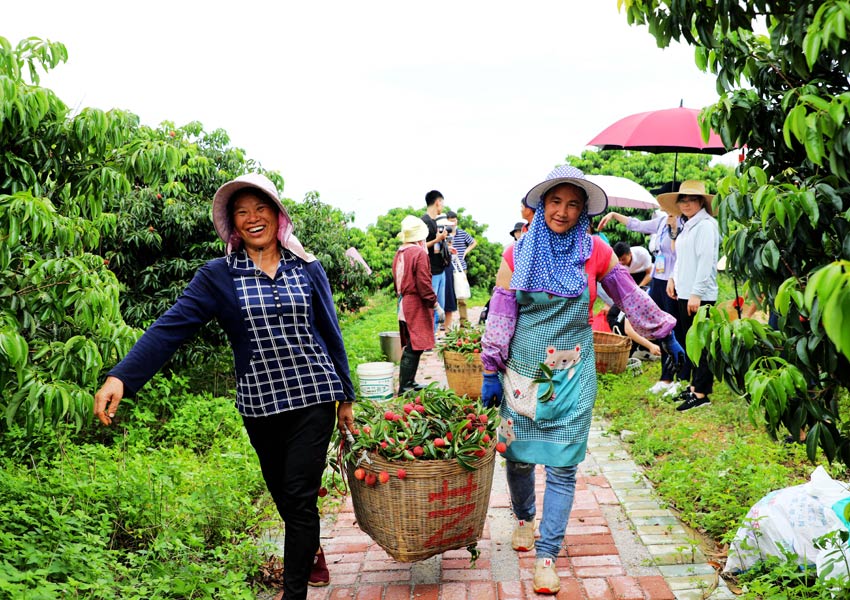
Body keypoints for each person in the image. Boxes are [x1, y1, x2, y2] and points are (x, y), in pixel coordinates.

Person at [92, 173, 355, 600]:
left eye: (260, 209)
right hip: (260, 403)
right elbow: (170, 327)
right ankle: (310, 550)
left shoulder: (307, 267)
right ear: (233, 224)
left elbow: (330, 331)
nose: (253, 218)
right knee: (286, 499)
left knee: (299, 495)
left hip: (313, 393)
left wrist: (346, 396)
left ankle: (294, 594)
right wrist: (122, 376)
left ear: (277, 214)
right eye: (242, 212)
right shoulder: (218, 276)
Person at [479, 165, 683, 595]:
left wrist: (663, 331)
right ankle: (523, 517)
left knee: (563, 466)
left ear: (584, 210)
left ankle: (547, 555)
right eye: (555, 202)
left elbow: (629, 295)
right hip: (523, 374)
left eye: (573, 204)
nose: (563, 211)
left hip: (573, 375)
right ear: (540, 205)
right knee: (516, 456)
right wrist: (490, 367)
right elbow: (501, 312)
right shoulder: (516, 255)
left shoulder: (596, 251)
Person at [598, 206, 686, 394]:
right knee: (662, 332)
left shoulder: (685, 223)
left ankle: (683, 377)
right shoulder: (662, 222)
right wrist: (614, 215)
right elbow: (636, 224)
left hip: (676, 281)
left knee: (674, 330)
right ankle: (666, 377)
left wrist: (674, 231)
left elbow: (679, 252)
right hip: (659, 281)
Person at [658, 180, 720, 412]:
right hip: (684, 292)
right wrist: (673, 278)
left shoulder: (706, 225)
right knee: (690, 342)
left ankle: (702, 392)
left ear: (701, 201)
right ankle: (695, 386)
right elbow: (681, 258)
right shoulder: (688, 225)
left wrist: (696, 293)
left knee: (702, 345)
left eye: (691, 199)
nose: (686, 203)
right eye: (682, 199)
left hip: (699, 295)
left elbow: (706, 262)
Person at [393, 215, 438, 394]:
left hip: (404, 301)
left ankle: (409, 382)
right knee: (414, 345)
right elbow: (424, 283)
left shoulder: (401, 252)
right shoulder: (418, 253)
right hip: (415, 303)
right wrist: (435, 304)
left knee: (413, 344)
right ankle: (405, 386)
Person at [421, 190, 450, 332]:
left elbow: (436, 245)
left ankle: (432, 338)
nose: (442, 207)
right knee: (431, 308)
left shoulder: (435, 222)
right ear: (437, 202)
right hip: (431, 271)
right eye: (442, 203)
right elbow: (420, 247)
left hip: (441, 269)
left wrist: (444, 245)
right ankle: (428, 340)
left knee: (440, 308)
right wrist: (437, 240)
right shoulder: (424, 222)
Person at [447, 210, 477, 326]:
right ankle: (447, 324)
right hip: (448, 267)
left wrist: (465, 252)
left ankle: (464, 322)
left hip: (461, 268)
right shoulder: (445, 234)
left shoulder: (462, 233)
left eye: (454, 221)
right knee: (449, 296)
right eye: (450, 222)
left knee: (461, 296)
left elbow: (473, 242)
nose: (453, 224)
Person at [435, 213, 458, 332]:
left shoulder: (446, 237)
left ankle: (448, 330)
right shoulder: (435, 237)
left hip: (447, 268)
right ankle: (437, 331)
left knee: (449, 298)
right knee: (436, 302)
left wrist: (448, 248)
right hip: (437, 271)